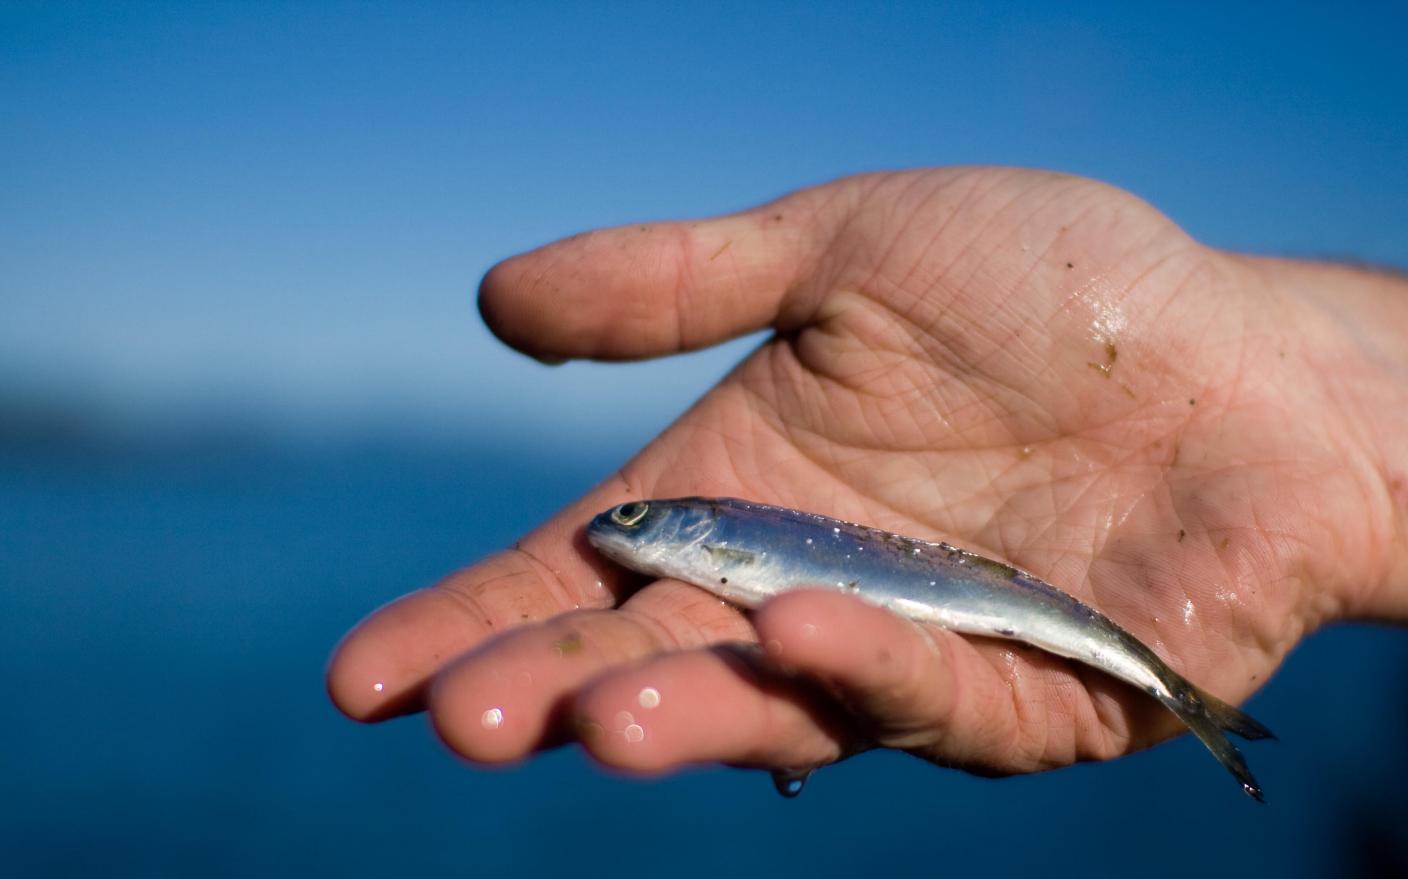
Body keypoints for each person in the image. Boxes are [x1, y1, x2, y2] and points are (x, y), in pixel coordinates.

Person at [326, 167, 1407, 785]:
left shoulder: (725, 536)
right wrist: (1334, 417)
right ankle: (1189, 700)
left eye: (643, 520)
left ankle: (1183, 698)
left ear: (699, 527)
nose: (622, 530)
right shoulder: (720, 540)